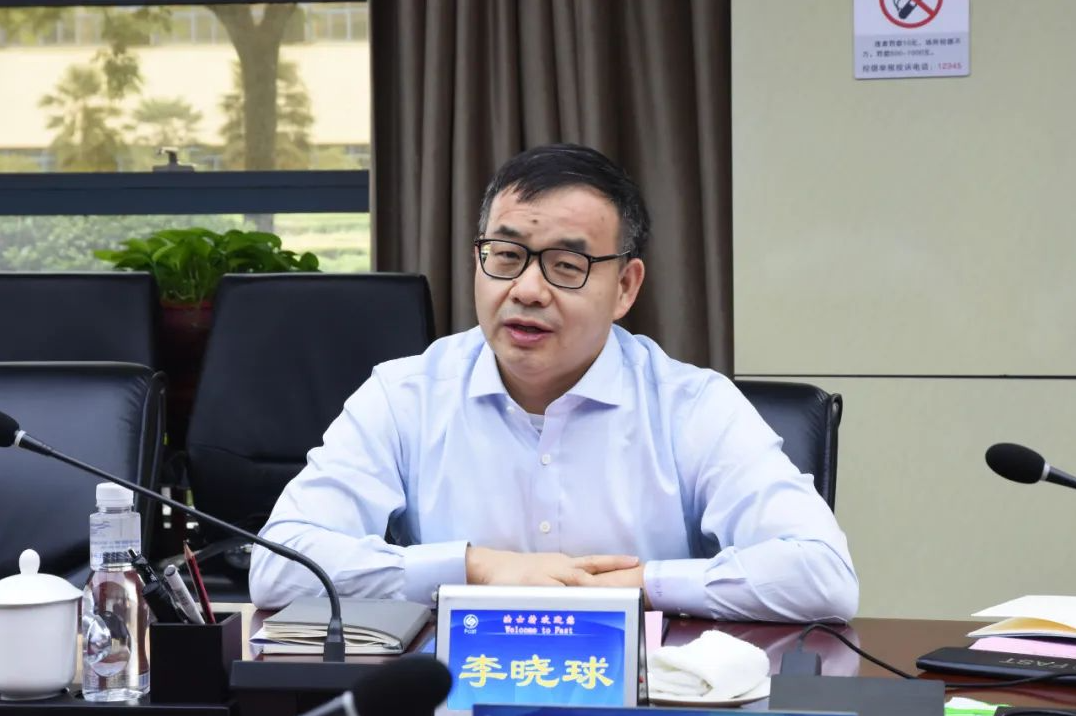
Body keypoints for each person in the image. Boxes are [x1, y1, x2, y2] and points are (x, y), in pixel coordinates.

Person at [249, 143, 858, 621]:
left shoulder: (692, 406)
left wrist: (643, 584)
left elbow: (822, 574)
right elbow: (279, 567)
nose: (527, 290)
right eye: (507, 256)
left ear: (625, 288)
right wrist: (474, 568)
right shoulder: (405, 395)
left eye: (567, 266)